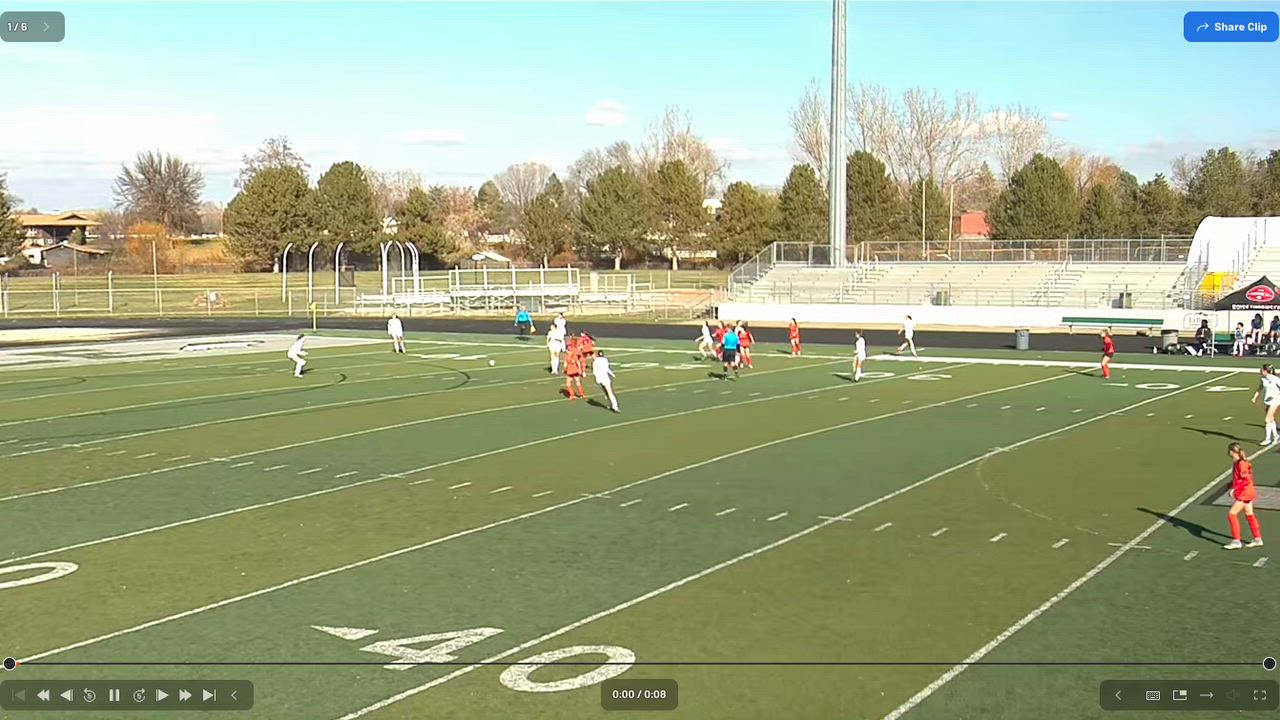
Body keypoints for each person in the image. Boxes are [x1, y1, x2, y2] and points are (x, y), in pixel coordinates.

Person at [1223, 442, 1264, 550]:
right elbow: (1239, 478)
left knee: (1232, 514)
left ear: (1232, 452)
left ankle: (1236, 541)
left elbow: (1246, 480)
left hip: (1245, 492)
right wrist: (1231, 484)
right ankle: (1257, 538)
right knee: (1249, 514)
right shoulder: (1238, 462)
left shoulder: (1241, 463)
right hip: (1248, 491)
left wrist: (1234, 489)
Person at [1251, 364, 1280, 445]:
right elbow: (1260, 388)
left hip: (1275, 400)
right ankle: (1276, 436)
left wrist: (1275, 395)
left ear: (1265, 371)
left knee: (1267, 419)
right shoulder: (1263, 379)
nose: (1260, 371)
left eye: (1262, 370)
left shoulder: (1275, 379)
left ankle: (1268, 439)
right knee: (1271, 419)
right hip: (1268, 401)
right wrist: (1255, 397)